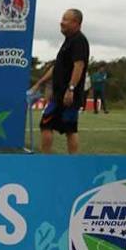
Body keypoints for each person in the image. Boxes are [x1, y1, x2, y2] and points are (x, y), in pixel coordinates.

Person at [30, 8, 90, 154]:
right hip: (60, 94)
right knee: (69, 128)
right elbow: (57, 67)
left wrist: (71, 89)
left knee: (47, 124)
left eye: (65, 20)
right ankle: (70, 162)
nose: (61, 23)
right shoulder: (68, 41)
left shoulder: (79, 41)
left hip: (66, 95)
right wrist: (39, 83)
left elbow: (79, 65)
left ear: (76, 23)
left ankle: (48, 160)